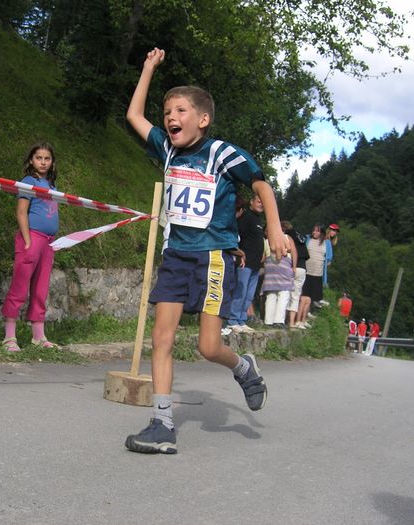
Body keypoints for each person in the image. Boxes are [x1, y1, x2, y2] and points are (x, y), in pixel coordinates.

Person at [123, 47, 288, 454]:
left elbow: (261, 185)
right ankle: (162, 424)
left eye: (180, 111)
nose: (171, 118)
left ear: (203, 119)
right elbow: (134, 116)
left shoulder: (222, 153)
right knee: (161, 337)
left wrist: (273, 225)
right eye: (167, 112)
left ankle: (243, 367)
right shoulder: (167, 149)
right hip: (177, 255)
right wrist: (148, 69)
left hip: (214, 256)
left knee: (208, 347)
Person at [1, 143, 60, 352]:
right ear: (31, 160)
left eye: (47, 158)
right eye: (39, 158)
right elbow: (21, 212)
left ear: (52, 162)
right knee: (20, 286)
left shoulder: (52, 186)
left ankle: (38, 337)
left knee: (41, 289)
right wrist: (27, 240)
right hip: (32, 239)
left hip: (48, 243)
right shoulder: (28, 181)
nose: (43, 162)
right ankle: (9, 337)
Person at [227, 193, 266, 333]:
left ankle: (242, 319)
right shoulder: (246, 217)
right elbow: (238, 236)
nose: (261, 204)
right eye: (258, 201)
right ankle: (232, 319)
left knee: (249, 294)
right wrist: (239, 255)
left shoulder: (258, 219)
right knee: (240, 291)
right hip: (245, 262)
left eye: (263, 202)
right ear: (251, 202)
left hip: (256, 263)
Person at [261, 226, 295, 327]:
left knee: (271, 294)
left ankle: (268, 320)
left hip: (270, 269)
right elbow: (293, 251)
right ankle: (279, 320)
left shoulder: (266, 241)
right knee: (284, 293)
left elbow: (263, 258)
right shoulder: (286, 237)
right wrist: (294, 266)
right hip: (283, 267)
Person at [296, 224, 327, 328]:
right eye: (313, 230)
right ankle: (298, 320)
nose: (315, 232)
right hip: (307, 272)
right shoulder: (307, 239)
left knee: (310, 299)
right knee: (303, 298)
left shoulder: (325, 243)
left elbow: (327, 259)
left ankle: (304, 319)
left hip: (318, 274)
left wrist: (325, 279)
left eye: (317, 231)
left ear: (321, 232)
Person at [282, 221, 308, 329]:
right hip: (302, 268)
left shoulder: (286, 236)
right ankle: (292, 322)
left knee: (284, 293)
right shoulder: (300, 236)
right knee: (295, 296)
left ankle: (282, 319)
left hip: (290, 266)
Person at [321, 223, 339, 291]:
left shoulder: (328, 240)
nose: (334, 233)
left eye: (336, 231)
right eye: (333, 230)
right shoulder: (326, 240)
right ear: (329, 230)